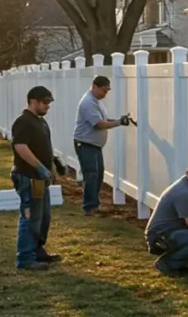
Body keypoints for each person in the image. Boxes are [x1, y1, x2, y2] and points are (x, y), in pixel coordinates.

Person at [10, 85, 66, 271]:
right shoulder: (23, 121)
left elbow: (42, 146)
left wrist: (52, 166)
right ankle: (25, 257)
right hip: (28, 177)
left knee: (43, 216)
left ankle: (37, 250)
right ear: (32, 101)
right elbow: (21, 147)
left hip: (39, 178)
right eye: (44, 102)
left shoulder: (39, 121)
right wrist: (40, 167)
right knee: (30, 216)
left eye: (49, 102)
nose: (47, 106)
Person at [72, 75, 130, 216]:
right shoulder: (88, 102)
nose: (106, 93)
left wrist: (117, 120)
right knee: (91, 174)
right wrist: (118, 123)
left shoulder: (97, 101)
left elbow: (102, 119)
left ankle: (94, 205)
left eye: (108, 90)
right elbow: (98, 124)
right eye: (104, 90)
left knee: (98, 174)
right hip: (85, 143)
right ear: (95, 86)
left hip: (93, 145)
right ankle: (89, 208)